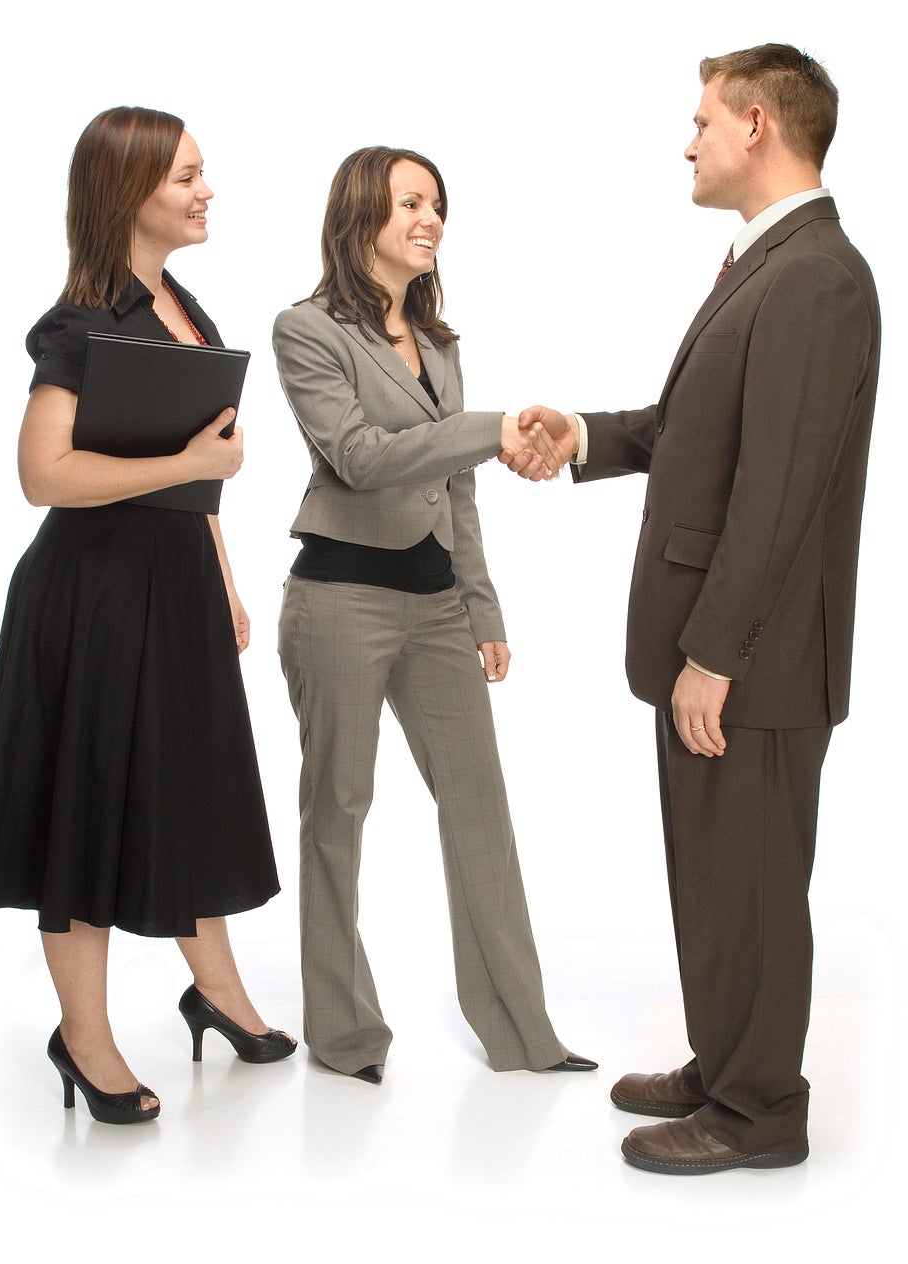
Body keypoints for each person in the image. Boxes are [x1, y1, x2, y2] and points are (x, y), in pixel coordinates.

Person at [511, 44, 879, 1174]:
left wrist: (714, 653)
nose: (689, 141)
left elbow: (777, 493)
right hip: (719, 648)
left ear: (759, 124)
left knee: (754, 880)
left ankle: (760, 1110)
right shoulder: (762, 264)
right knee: (717, 871)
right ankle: (728, 1064)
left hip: (752, 660)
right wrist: (583, 435)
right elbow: (694, 434)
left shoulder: (815, 275)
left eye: (703, 121)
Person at [0, 107, 294, 1125]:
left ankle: (218, 991)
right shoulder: (81, 320)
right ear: (130, 191)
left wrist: (223, 572)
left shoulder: (181, 301)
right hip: (93, 597)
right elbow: (41, 473)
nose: (205, 191)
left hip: (175, 583)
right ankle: (85, 1038)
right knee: (88, 811)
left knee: (189, 791)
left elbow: (193, 479)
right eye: (187, 176)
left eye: (204, 174)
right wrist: (191, 468)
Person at [272, 146, 593, 1086]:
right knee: (338, 810)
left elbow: (456, 488)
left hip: (437, 604)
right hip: (340, 598)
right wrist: (492, 429)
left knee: (480, 809)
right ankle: (344, 1036)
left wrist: (482, 605)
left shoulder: (443, 345)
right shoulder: (307, 331)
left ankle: (523, 1036)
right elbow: (362, 456)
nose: (431, 218)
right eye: (411, 201)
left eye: (438, 204)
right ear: (361, 214)